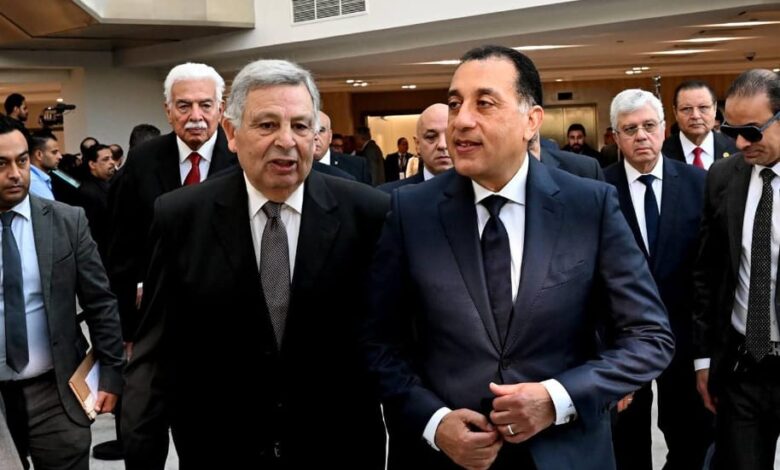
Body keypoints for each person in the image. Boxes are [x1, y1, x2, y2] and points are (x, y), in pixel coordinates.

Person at [362, 45, 674, 470]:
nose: (461, 120)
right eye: (454, 104)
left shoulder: (589, 206)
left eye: (484, 103)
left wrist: (556, 398)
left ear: (532, 121)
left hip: (565, 454)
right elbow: (379, 344)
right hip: (448, 458)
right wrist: (435, 422)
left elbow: (649, 337)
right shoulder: (410, 213)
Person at [122, 58, 389, 469]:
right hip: (220, 447)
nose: (287, 141)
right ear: (231, 133)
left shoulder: (367, 213)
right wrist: (144, 453)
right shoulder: (181, 216)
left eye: (301, 126)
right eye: (267, 125)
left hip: (338, 447)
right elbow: (156, 352)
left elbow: (391, 342)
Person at [99, 62, 237, 462]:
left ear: (221, 108)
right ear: (167, 109)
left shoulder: (240, 157)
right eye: (184, 105)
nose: (195, 116)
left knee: (210, 441)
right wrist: (125, 328)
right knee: (142, 436)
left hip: (224, 329)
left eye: (205, 105)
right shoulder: (143, 161)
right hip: (154, 328)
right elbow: (120, 250)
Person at [0, 115, 123, 470]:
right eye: (1, 164)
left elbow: (100, 302)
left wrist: (111, 373)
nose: (15, 173)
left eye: (22, 160)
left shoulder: (67, 221)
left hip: (56, 392)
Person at [604, 89, 712, 470]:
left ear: (665, 130)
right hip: (623, 341)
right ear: (616, 137)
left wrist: (705, 354)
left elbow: (709, 271)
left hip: (685, 337)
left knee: (690, 440)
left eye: (649, 126)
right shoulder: (599, 189)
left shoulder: (700, 184)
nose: (641, 136)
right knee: (626, 443)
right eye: (630, 129)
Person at [693, 69, 780, 470]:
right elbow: (707, 274)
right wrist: (703, 359)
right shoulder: (723, 177)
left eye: (752, 131)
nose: (740, 143)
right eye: (730, 131)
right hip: (742, 366)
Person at [378, 103, 453, 193]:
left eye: (450, 135)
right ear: (417, 144)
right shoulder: (389, 195)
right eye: (431, 137)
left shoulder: (469, 192)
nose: (442, 145)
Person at [662, 80, 737, 170]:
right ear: (675, 112)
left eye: (703, 107)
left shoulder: (736, 149)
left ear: (714, 109)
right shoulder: (661, 153)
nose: (695, 116)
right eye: (687, 109)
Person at [313, 111, 372, 183]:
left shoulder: (357, 166)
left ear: (330, 136)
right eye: (310, 130)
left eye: (321, 130)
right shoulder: (299, 168)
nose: (315, 137)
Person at [27, 132, 62, 200]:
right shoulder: (34, 181)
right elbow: (51, 206)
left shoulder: (36, 177)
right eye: (54, 152)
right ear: (39, 155)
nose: (60, 156)